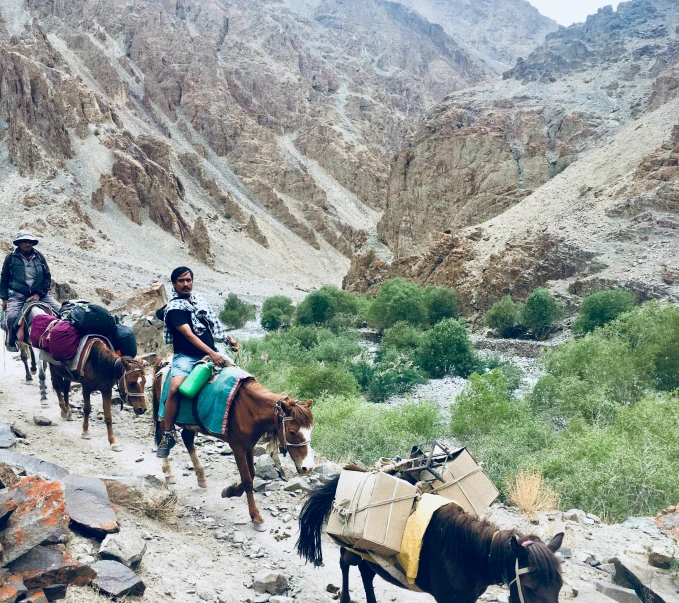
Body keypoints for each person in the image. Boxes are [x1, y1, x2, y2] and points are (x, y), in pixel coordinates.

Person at [157, 266, 239, 458]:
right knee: (175, 388)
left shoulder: (198, 300)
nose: (186, 284)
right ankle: (168, 433)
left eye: (188, 280)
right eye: (181, 281)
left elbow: (211, 326)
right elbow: (188, 334)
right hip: (187, 356)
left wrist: (227, 338)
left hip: (213, 352)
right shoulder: (175, 309)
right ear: (174, 284)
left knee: (238, 379)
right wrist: (213, 353)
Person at [0, 231, 61, 352]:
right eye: (24, 242)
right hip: (18, 293)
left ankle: (64, 337)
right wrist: (4, 298)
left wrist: (39, 294)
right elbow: (4, 278)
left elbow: (47, 277)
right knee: (12, 316)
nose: (27, 244)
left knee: (61, 309)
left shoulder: (39, 257)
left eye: (30, 242)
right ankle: (11, 340)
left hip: (39, 293)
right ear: (18, 243)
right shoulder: (11, 258)